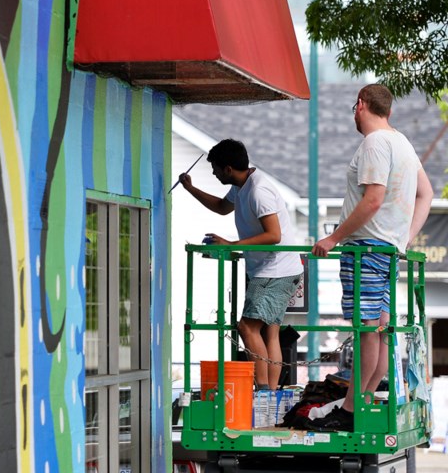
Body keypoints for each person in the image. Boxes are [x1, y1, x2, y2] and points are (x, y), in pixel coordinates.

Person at [308, 84, 433, 432]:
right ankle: (357, 405)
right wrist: (402, 241)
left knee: (367, 332)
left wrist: (334, 238)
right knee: (379, 331)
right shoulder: (403, 143)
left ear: (360, 105)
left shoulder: (375, 143)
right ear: (389, 111)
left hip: (366, 249)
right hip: (387, 251)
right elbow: (427, 194)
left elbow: (373, 199)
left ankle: (348, 411)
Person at [180, 139, 303, 390]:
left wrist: (230, 244)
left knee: (247, 327)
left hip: (274, 270)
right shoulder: (243, 185)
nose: (213, 173)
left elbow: (273, 235)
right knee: (269, 332)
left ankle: (263, 391)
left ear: (227, 168)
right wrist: (191, 189)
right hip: (277, 269)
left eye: (215, 168)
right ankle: (270, 395)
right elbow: (222, 208)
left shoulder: (259, 191)